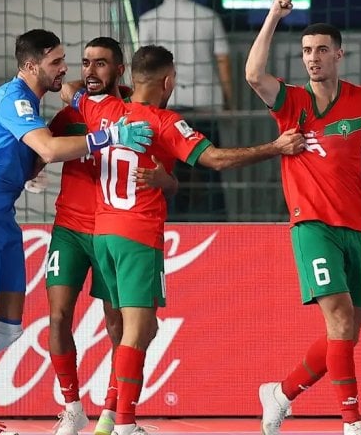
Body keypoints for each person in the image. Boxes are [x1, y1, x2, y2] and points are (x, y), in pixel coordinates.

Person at [0, 29, 154, 435]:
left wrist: (29, 170)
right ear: (30, 66)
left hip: (2, 220)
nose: (64, 69)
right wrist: (110, 136)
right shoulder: (15, 98)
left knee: (6, 330)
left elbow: (32, 154)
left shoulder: (32, 105)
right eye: (56, 61)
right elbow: (51, 148)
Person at [62, 44, 304, 435]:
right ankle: (123, 425)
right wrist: (275, 147)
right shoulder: (165, 121)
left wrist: (96, 93)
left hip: (102, 235)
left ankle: (109, 417)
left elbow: (69, 91)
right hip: (138, 235)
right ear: (167, 81)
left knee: (138, 331)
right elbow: (217, 159)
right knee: (137, 332)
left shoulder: (101, 109)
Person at [244, 0, 361, 435]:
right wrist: (274, 16)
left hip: (356, 224)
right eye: (305, 51)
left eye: (320, 50)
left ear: (339, 54)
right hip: (311, 223)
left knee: (347, 333)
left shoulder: (359, 101)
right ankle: (352, 421)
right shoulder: (290, 101)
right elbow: (253, 74)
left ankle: (279, 393)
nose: (312, 58)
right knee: (337, 318)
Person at [46, 37, 178, 435]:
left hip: (110, 228)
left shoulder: (137, 115)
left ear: (121, 71)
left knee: (120, 325)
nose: (89, 71)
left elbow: (168, 174)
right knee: (57, 317)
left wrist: (161, 179)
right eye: (85, 63)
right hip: (70, 227)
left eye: (100, 64)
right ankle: (72, 408)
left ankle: (110, 411)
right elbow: (42, 146)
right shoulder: (76, 108)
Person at [137, 0, 231, 221]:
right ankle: (217, 219)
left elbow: (142, 66)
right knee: (210, 166)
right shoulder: (208, 17)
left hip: (166, 105)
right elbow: (223, 60)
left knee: (168, 166)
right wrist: (228, 98)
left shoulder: (148, 20)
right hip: (204, 101)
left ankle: (171, 218)